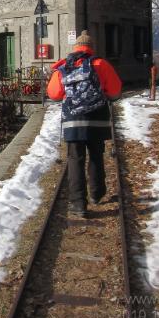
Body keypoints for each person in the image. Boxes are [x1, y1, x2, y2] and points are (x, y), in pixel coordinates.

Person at [47, 30, 122, 218]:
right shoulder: (101, 64)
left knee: (75, 159)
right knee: (96, 155)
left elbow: (54, 94)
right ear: (91, 48)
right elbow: (115, 91)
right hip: (97, 119)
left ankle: (78, 203)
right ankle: (97, 194)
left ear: (76, 48)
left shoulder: (65, 67)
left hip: (73, 120)